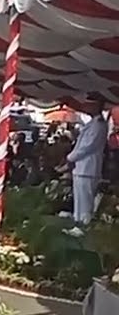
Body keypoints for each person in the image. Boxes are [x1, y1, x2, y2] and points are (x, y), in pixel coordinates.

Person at [64, 98, 107, 237]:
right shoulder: (93, 123)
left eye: (89, 105)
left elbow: (87, 146)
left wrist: (70, 157)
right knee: (79, 198)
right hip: (81, 167)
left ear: (96, 106)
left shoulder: (99, 125)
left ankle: (84, 226)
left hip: (88, 167)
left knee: (85, 200)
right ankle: (78, 223)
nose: (86, 108)